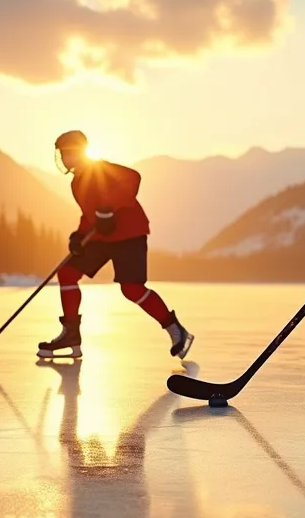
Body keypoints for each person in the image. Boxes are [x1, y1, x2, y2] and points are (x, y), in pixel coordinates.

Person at [37, 130, 194, 361]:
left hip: (130, 234)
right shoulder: (77, 182)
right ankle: (71, 335)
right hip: (102, 238)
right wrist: (79, 236)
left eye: (65, 154)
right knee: (68, 273)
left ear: (76, 152)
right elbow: (91, 215)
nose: (62, 159)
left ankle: (175, 329)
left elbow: (133, 178)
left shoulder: (100, 168)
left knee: (132, 289)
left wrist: (109, 207)